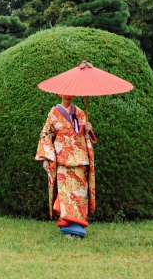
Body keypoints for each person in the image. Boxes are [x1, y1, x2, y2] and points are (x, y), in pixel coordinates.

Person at [35, 94, 96, 238]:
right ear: (59, 94)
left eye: (70, 94)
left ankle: (79, 226)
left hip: (80, 158)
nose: (68, 96)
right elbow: (46, 135)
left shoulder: (80, 112)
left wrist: (87, 131)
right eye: (65, 94)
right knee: (66, 195)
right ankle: (68, 229)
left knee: (81, 194)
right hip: (63, 159)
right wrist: (46, 158)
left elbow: (85, 136)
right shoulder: (54, 113)